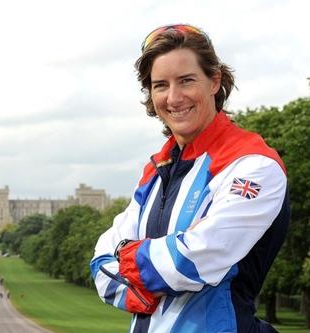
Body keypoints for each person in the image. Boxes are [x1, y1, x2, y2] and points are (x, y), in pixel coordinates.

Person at [90, 24, 289, 333]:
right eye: (160, 85)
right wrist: (166, 253)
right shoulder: (156, 170)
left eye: (186, 81)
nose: (174, 97)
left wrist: (131, 255)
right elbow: (102, 267)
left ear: (214, 81)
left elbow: (194, 260)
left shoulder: (253, 164)